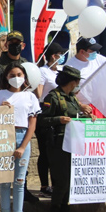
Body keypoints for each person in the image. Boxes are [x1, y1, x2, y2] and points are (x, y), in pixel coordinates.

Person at [0, 62, 40, 212]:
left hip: (22, 136)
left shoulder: (30, 97)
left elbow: (32, 123)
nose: (16, 78)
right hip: (4, 137)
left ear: (24, 77)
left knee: (19, 181)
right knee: (4, 180)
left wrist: (23, 145)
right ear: (6, 78)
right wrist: (0, 110)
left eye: (19, 74)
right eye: (12, 75)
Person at [39, 65, 95, 212]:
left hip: (73, 143)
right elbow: (42, 120)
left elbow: (76, 116)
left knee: (70, 180)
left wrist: (88, 117)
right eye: (77, 81)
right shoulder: (53, 97)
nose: (78, 84)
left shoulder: (72, 98)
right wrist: (59, 120)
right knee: (62, 180)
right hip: (58, 143)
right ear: (72, 81)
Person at [33, 41, 65, 199]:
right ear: (54, 56)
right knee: (45, 152)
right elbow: (39, 93)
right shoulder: (42, 72)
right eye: (60, 55)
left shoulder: (60, 71)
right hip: (45, 114)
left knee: (57, 152)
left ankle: (56, 184)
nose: (62, 58)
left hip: (59, 116)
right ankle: (44, 185)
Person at [64, 37, 106, 107]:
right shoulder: (70, 67)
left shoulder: (99, 59)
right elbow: (66, 92)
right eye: (92, 51)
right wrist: (81, 106)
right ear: (82, 52)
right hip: (82, 108)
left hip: (100, 106)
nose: (95, 53)